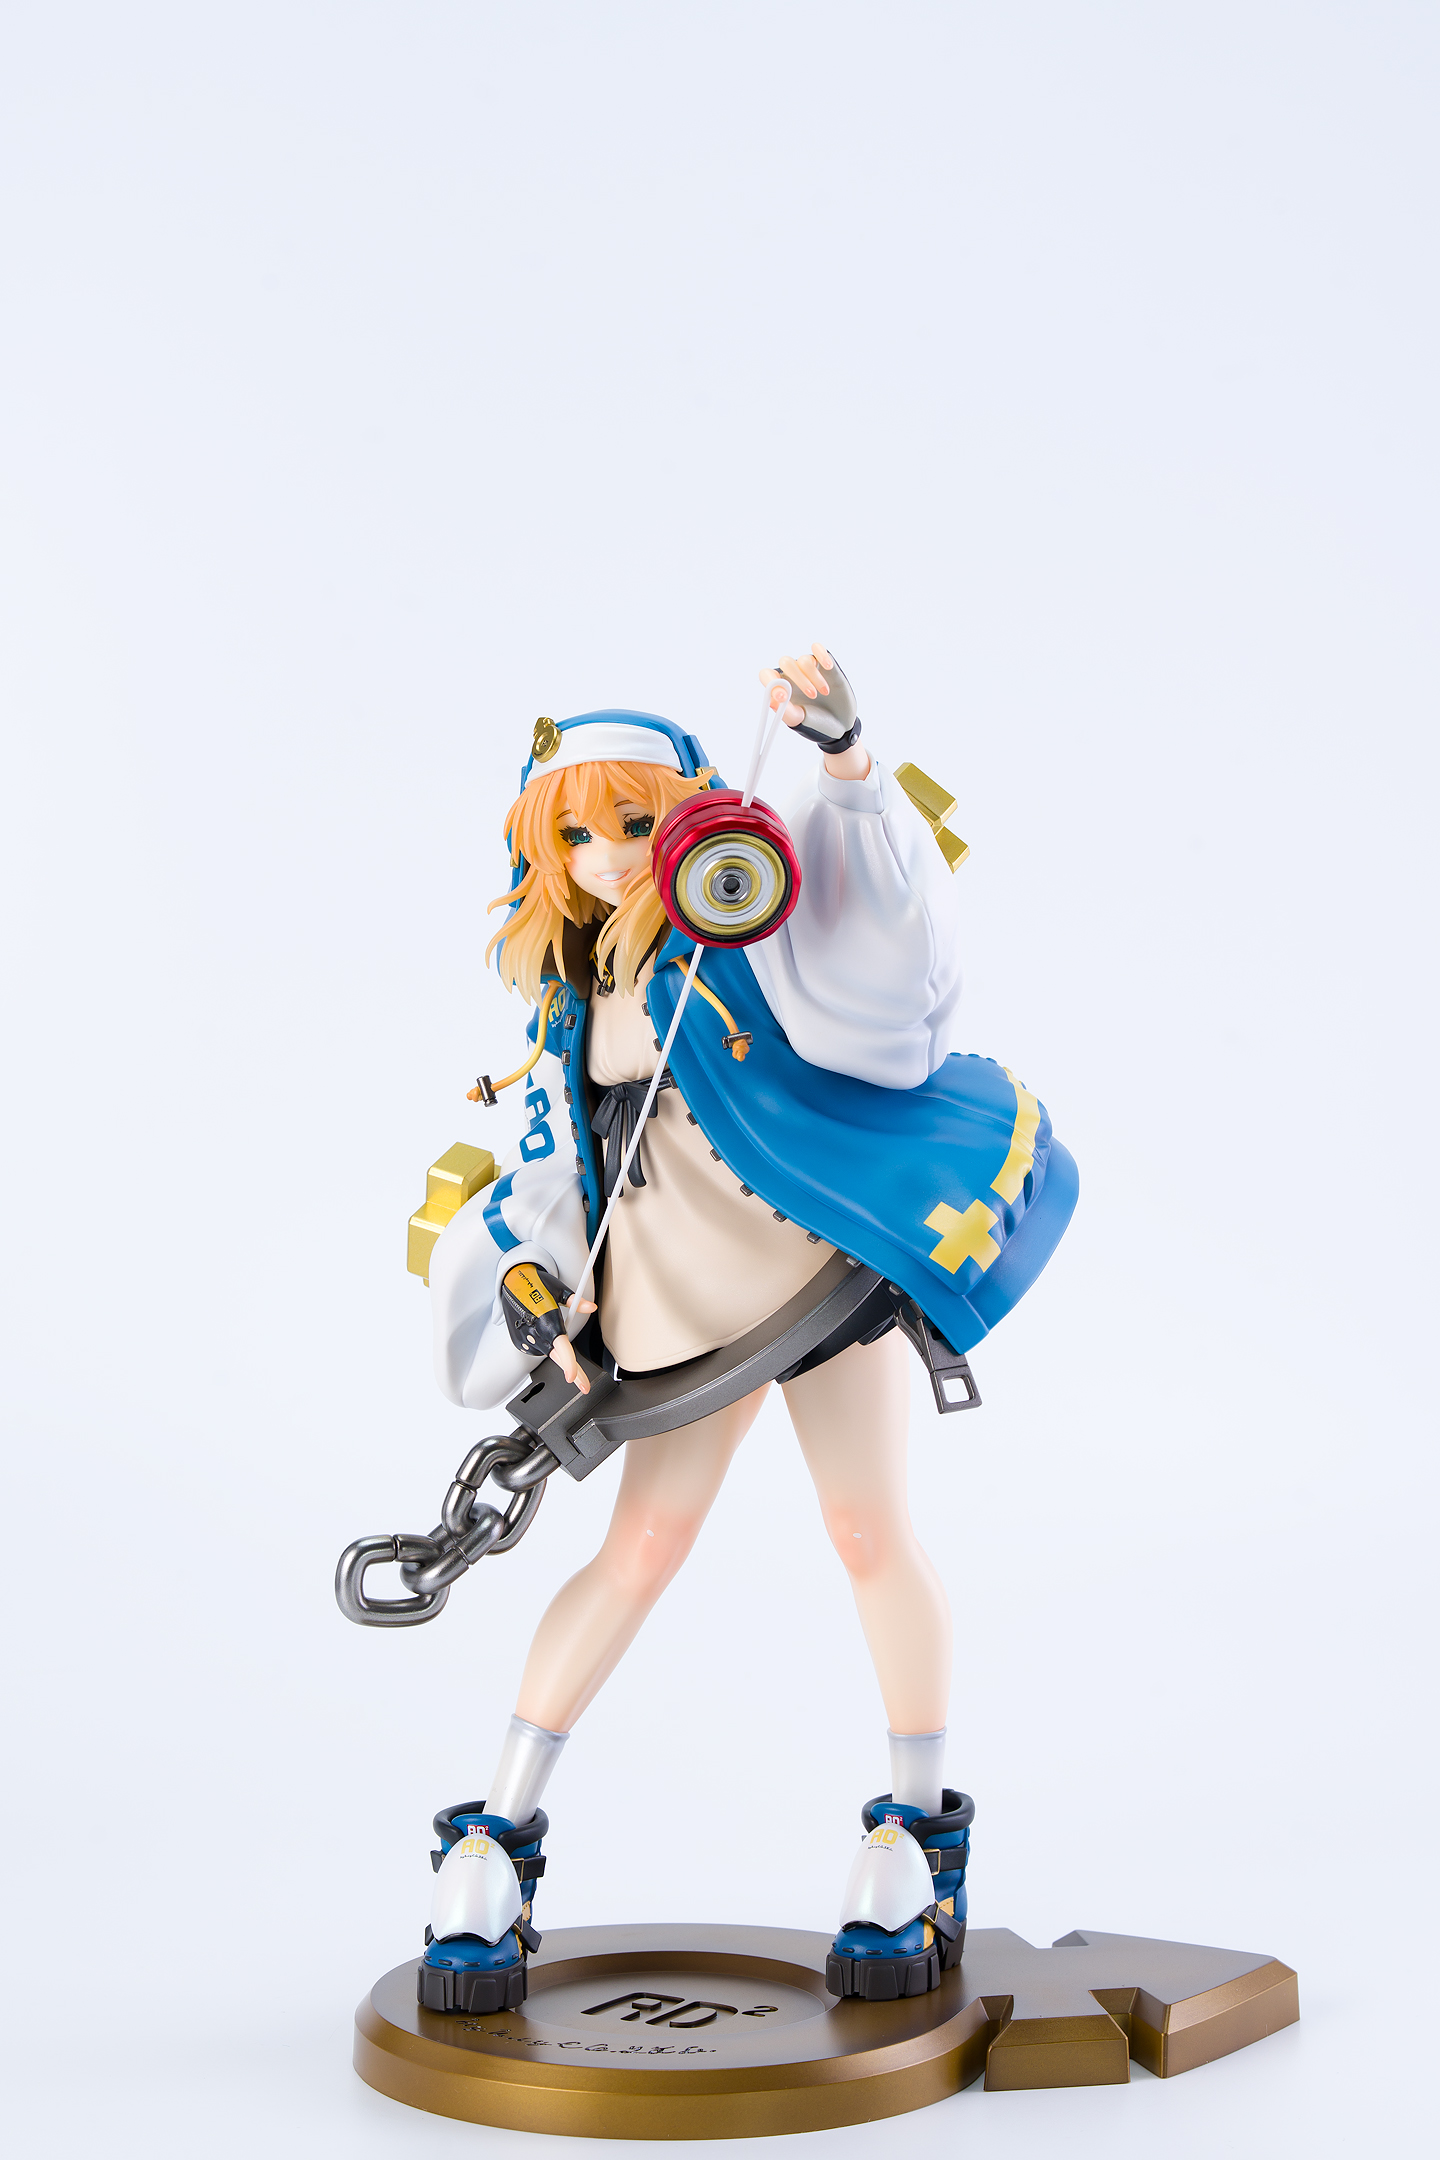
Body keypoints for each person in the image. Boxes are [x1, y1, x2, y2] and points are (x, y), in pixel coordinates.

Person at [418, 646, 1077, 2012]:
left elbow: (882, 962)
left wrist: (847, 762)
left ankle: (916, 1835)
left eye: (635, 823)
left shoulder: (749, 918)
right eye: (577, 836)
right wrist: (544, 1290)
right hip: (678, 1316)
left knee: (867, 1532)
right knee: (640, 1551)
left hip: (815, 1272)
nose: (608, 857)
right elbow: (554, 1169)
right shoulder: (566, 999)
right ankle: (495, 1837)